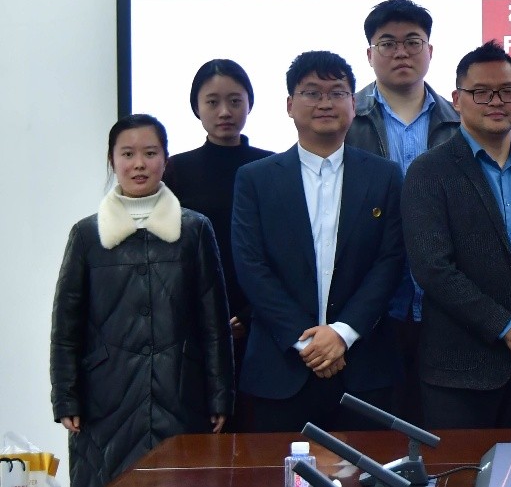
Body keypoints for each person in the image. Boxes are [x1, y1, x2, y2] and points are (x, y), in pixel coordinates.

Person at [401, 41, 511, 429]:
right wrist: (507, 329)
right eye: (481, 92)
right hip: (459, 373)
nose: (496, 101)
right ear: (457, 100)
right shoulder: (429, 171)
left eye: (507, 91)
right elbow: (433, 268)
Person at [51, 114, 232, 487]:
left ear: (165, 159)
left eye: (150, 153)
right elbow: (66, 328)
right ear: (112, 160)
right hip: (106, 401)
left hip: (180, 394)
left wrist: (220, 396)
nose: (139, 164)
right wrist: (65, 397)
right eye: (127, 154)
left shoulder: (194, 230)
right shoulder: (87, 235)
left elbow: (214, 323)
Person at [232, 51, 405, 432]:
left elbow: (391, 261)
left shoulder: (385, 176)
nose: (325, 103)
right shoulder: (256, 179)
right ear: (290, 105)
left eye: (337, 92)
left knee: (368, 466)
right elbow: (251, 266)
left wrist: (342, 333)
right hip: (280, 371)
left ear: (353, 104)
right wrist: (307, 341)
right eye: (312, 93)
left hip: (363, 369)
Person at [346, 0, 460, 424]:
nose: (401, 53)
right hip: (369, 305)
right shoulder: (345, 118)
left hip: (446, 306)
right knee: (376, 430)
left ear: (430, 51)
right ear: (369, 53)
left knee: (441, 427)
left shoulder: (460, 121)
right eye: (387, 43)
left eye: (413, 42)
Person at [164, 59, 272, 429]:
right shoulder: (175, 171)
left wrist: (251, 314)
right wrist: (209, 319)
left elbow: (285, 252)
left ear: (249, 103)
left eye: (235, 101)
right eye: (212, 102)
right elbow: (171, 257)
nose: (224, 112)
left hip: (263, 322)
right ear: (196, 107)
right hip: (197, 327)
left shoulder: (273, 167)